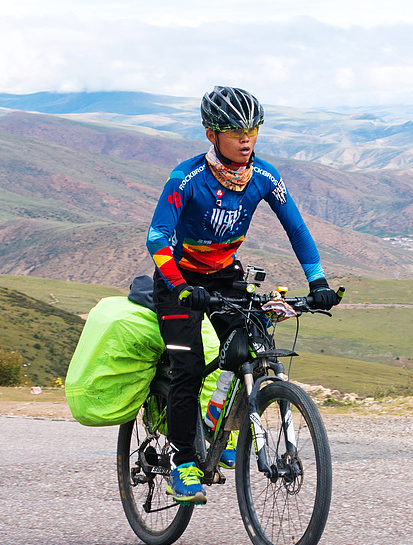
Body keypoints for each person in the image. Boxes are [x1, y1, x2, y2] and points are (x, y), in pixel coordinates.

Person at [146, 86, 340, 505]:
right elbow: (157, 236)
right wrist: (180, 288)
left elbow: (297, 229)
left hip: (224, 275)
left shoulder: (265, 177)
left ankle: (221, 429)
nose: (246, 137)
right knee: (191, 366)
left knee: (248, 348)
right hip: (178, 281)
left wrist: (318, 282)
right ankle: (182, 464)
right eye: (234, 129)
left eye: (252, 128)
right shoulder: (188, 178)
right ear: (210, 133)